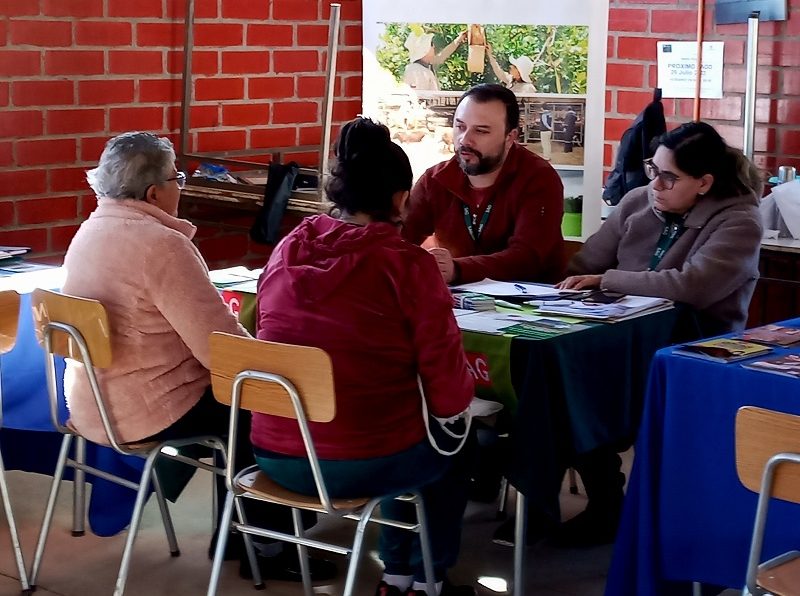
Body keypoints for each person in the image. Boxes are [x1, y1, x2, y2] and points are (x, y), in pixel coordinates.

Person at [61, 132, 335, 583]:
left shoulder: (91, 229)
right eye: (179, 178)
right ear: (154, 193)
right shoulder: (161, 245)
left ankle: (236, 532)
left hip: (93, 404)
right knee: (259, 405)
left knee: (236, 400)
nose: (181, 186)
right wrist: (281, 367)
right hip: (143, 409)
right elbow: (222, 349)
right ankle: (266, 546)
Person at [252, 117, 477, 596]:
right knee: (450, 448)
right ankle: (418, 581)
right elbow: (450, 393)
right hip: (362, 461)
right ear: (400, 200)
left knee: (402, 432)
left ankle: (401, 577)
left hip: (273, 452)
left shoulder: (287, 248)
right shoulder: (407, 265)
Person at [552, 120, 763, 547]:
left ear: (704, 183)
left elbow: (691, 286)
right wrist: (592, 283)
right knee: (564, 386)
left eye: (670, 177)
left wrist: (608, 280)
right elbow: (583, 266)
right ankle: (600, 500)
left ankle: (639, 512)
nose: (656, 185)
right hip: (621, 339)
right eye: (653, 169)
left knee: (594, 390)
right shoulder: (636, 202)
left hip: (695, 351)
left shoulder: (740, 221)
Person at [403, 83, 564, 284]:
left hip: (531, 305)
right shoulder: (435, 180)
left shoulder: (538, 178)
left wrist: (459, 269)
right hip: (457, 305)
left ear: (510, 137)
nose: (465, 140)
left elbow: (528, 258)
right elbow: (400, 237)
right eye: (460, 127)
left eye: (480, 131)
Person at [403, 30, 467, 91]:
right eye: (431, 44)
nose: (434, 46)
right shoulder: (416, 70)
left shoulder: (424, 66)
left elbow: (443, 55)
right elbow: (420, 97)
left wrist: (459, 39)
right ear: (425, 49)